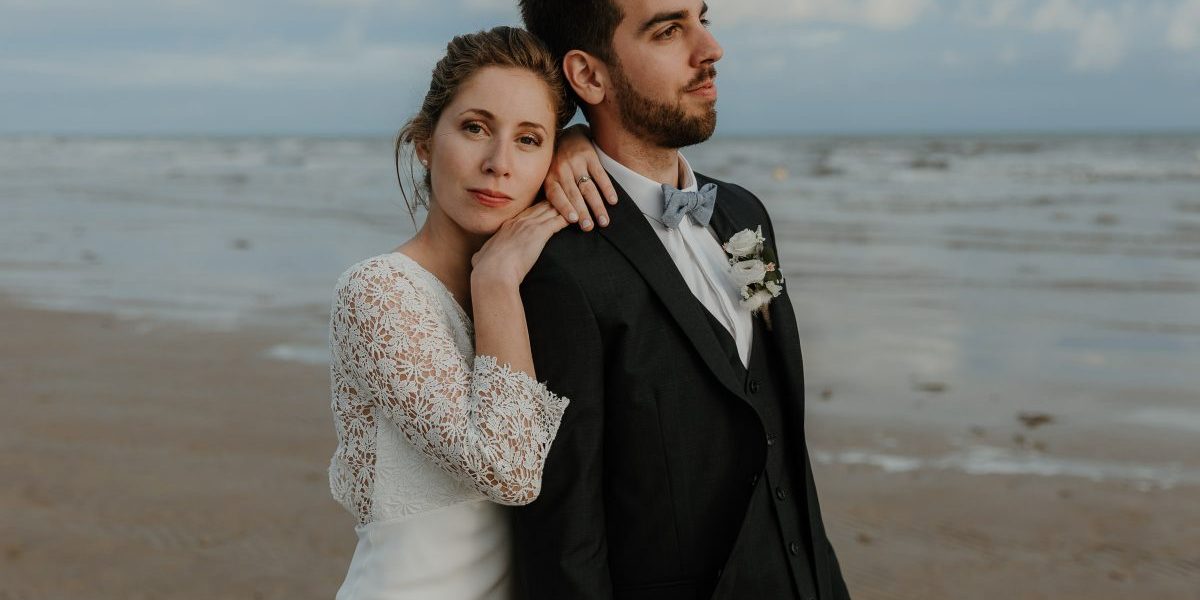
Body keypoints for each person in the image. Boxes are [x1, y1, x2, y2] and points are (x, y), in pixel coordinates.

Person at [511, 1, 853, 599]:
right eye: (669, 31)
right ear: (589, 76)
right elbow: (564, 533)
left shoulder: (745, 214)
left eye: (702, 18)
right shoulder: (558, 264)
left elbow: (778, 435)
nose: (709, 49)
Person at [326, 26, 616, 599]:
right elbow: (508, 470)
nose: (499, 163)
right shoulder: (380, 292)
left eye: (529, 140)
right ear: (426, 141)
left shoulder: (547, 290)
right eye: (475, 128)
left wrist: (581, 140)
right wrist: (497, 279)